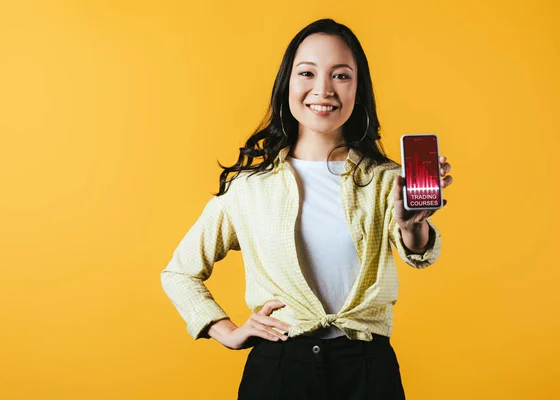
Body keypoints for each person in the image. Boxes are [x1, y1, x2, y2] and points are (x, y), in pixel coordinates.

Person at [161, 18, 453, 400]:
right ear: (288, 85)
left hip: (367, 368)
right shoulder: (250, 188)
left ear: (358, 89)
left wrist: (413, 224)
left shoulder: (386, 179)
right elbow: (179, 273)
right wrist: (225, 331)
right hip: (279, 368)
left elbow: (416, 252)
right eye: (307, 73)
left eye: (341, 76)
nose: (323, 89)